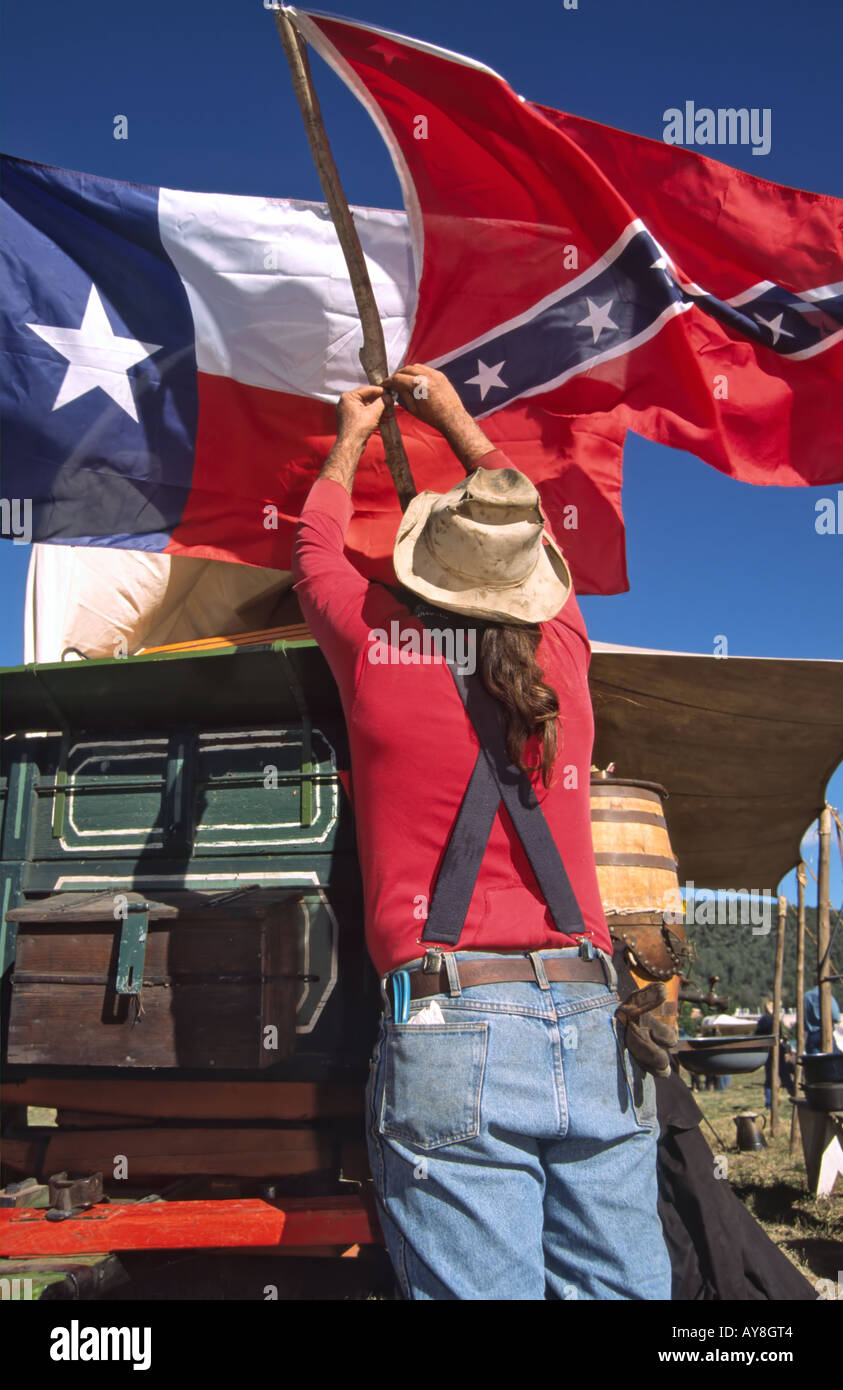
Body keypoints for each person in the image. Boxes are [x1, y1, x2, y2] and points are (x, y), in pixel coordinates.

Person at [291, 362, 671, 1300]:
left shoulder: (380, 648)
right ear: (534, 588)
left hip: (450, 1014)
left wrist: (349, 436)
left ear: (427, 574)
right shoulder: (567, 660)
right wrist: (458, 420)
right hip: (592, 1016)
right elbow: (525, 518)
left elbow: (313, 552)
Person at [803, 985, 842, 1054]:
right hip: (826, 1033)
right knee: (834, 1060)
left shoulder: (805, 997)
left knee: (815, 1062)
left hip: (811, 1036)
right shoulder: (826, 995)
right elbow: (836, 1017)